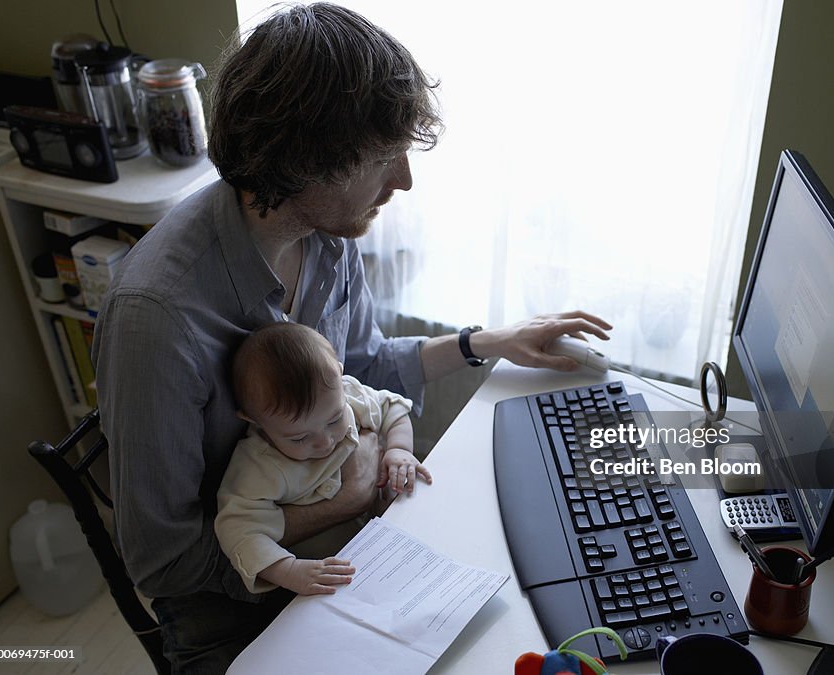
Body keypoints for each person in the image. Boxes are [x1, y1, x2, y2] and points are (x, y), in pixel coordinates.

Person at [91, 3, 611, 672]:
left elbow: (363, 365)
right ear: (310, 160)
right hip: (234, 611)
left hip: (347, 544)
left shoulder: (326, 235)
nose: (404, 180)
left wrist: (489, 342)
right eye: (383, 157)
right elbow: (163, 561)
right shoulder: (157, 319)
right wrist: (352, 493)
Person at [215, 322, 431, 596]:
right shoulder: (258, 466)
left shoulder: (348, 395)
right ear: (255, 421)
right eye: (299, 438)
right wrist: (289, 571)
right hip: (327, 575)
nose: (324, 441)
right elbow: (238, 530)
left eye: (335, 419)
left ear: (340, 376)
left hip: (388, 541)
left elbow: (392, 407)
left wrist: (399, 449)